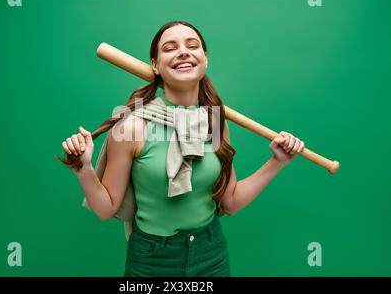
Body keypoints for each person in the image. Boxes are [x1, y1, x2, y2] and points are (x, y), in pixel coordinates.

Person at [57, 21, 305, 277]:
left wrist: (278, 162)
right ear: (155, 65)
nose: (183, 52)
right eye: (170, 48)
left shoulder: (214, 122)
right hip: (152, 260)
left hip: (210, 253)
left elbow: (230, 202)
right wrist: (83, 168)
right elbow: (105, 208)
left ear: (204, 60)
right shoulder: (132, 127)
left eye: (192, 45)